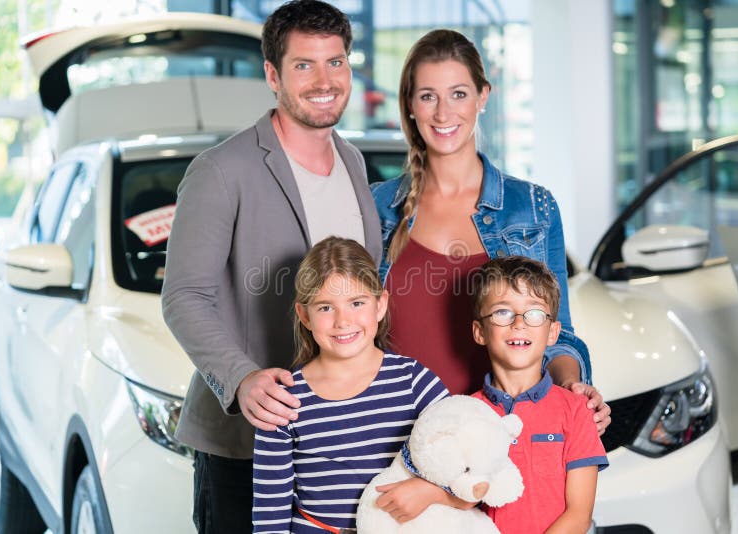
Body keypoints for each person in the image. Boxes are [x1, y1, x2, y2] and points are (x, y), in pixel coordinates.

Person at [368, 28, 611, 521]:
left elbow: (558, 333)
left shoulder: (532, 206)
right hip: (403, 447)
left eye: (458, 94)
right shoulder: (378, 208)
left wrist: (573, 390)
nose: (443, 112)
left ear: (483, 97)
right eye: (427, 96)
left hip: (503, 445)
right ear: (409, 105)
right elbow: (354, 332)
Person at [161, 2, 382, 532]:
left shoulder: (353, 162)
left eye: (337, 62)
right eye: (304, 65)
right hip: (250, 444)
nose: (324, 80)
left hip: (339, 442)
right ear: (272, 75)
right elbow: (184, 296)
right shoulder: (221, 170)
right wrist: (240, 380)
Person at [251, 237, 452, 533]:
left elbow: (465, 465)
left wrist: (431, 492)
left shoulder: (414, 382)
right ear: (304, 315)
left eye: (356, 303)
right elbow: (270, 514)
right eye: (325, 308)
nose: (343, 321)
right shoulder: (284, 399)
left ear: (380, 305)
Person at [471, 256, 609, 534]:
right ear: (479, 332)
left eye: (534, 313)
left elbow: (579, 515)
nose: (519, 323)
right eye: (502, 312)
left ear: (553, 332)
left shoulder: (575, 410)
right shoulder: (467, 413)